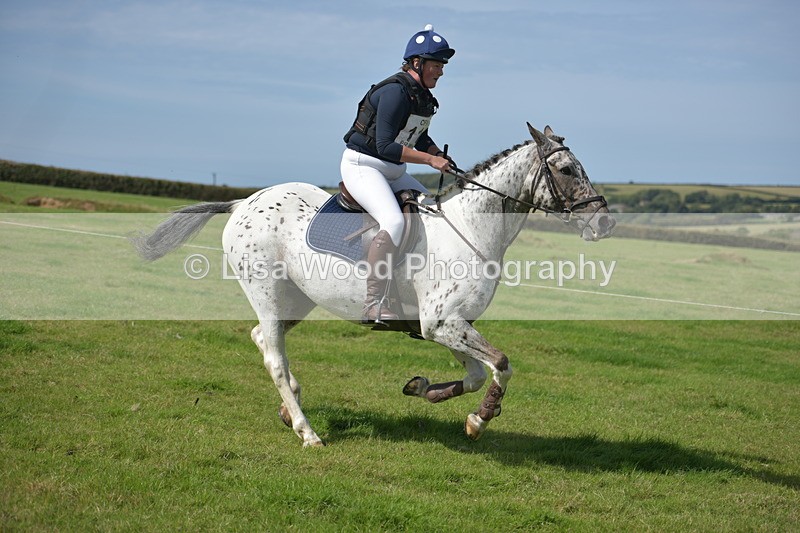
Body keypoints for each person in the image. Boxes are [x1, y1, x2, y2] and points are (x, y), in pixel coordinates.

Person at [342, 24, 456, 324]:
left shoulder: (422, 97)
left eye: (442, 66)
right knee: (392, 221)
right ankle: (373, 302)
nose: (441, 72)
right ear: (417, 63)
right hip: (363, 166)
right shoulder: (394, 92)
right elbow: (385, 146)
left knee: (431, 210)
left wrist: (437, 153)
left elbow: (416, 137)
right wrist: (430, 162)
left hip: (392, 170)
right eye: (437, 65)